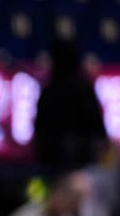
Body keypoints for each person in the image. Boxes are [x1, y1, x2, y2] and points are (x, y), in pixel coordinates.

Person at [32, 37, 108, 174]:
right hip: (54, 167)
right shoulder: (52, 91)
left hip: (82, 168)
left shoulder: (78, 90)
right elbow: (40, 132)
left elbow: (98, 131)